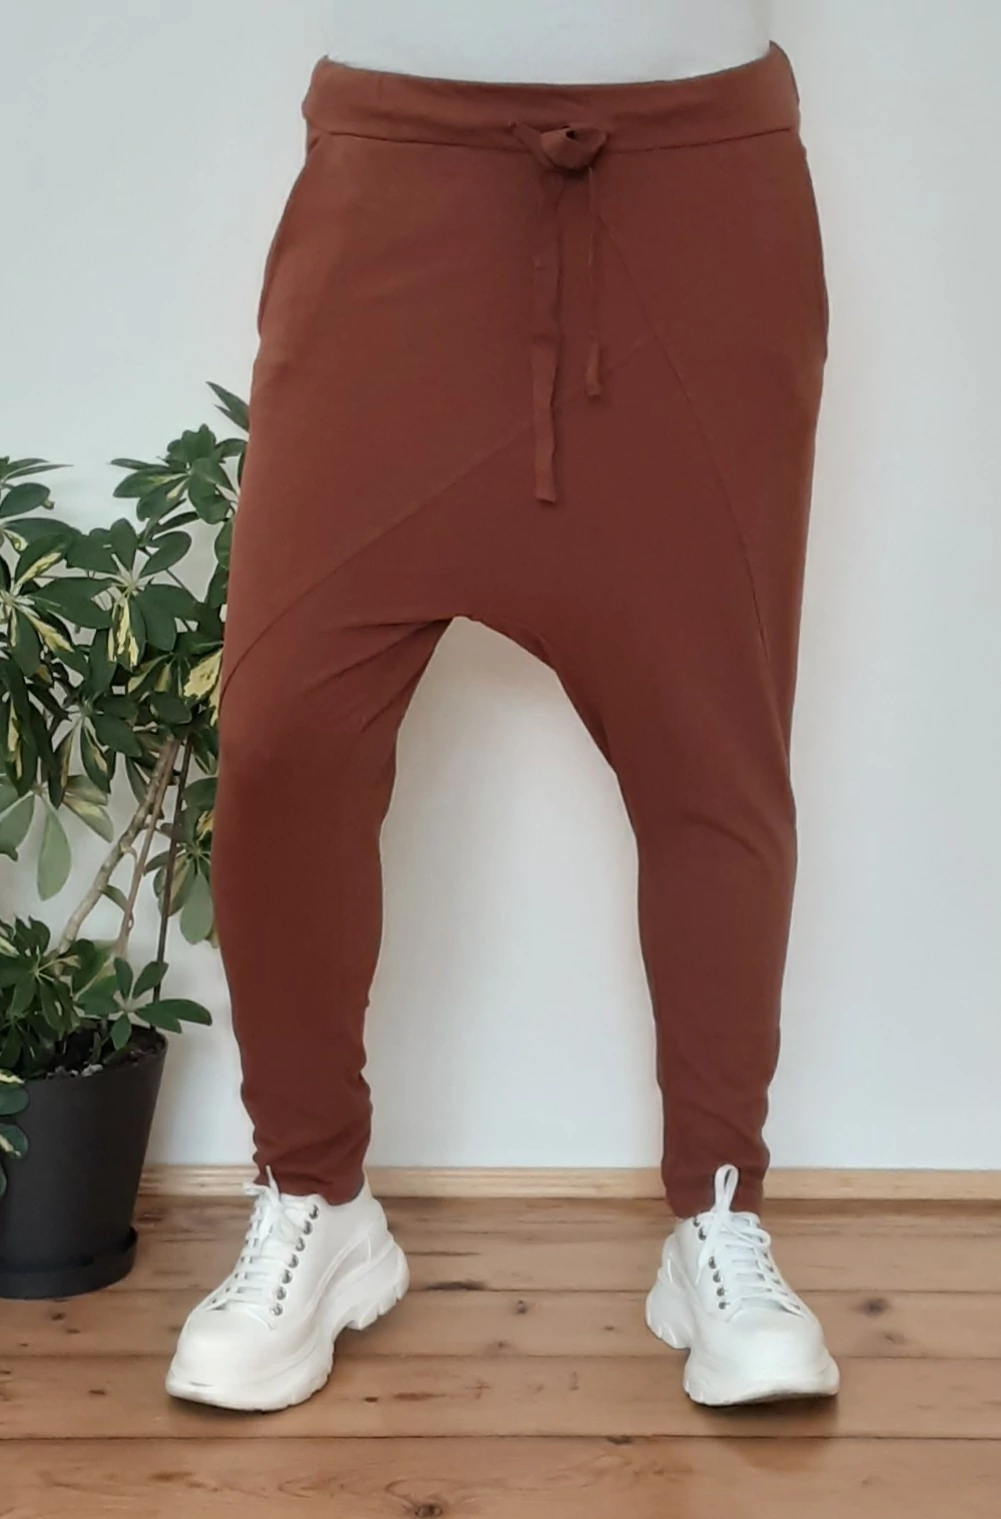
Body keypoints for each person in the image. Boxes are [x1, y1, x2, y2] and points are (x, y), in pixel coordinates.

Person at [166, 0, 839, 1411]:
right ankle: (315, 1200)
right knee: (282, 733)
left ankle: (718, 1215)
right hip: (394, 181)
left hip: (699, 190)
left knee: (712, 744)